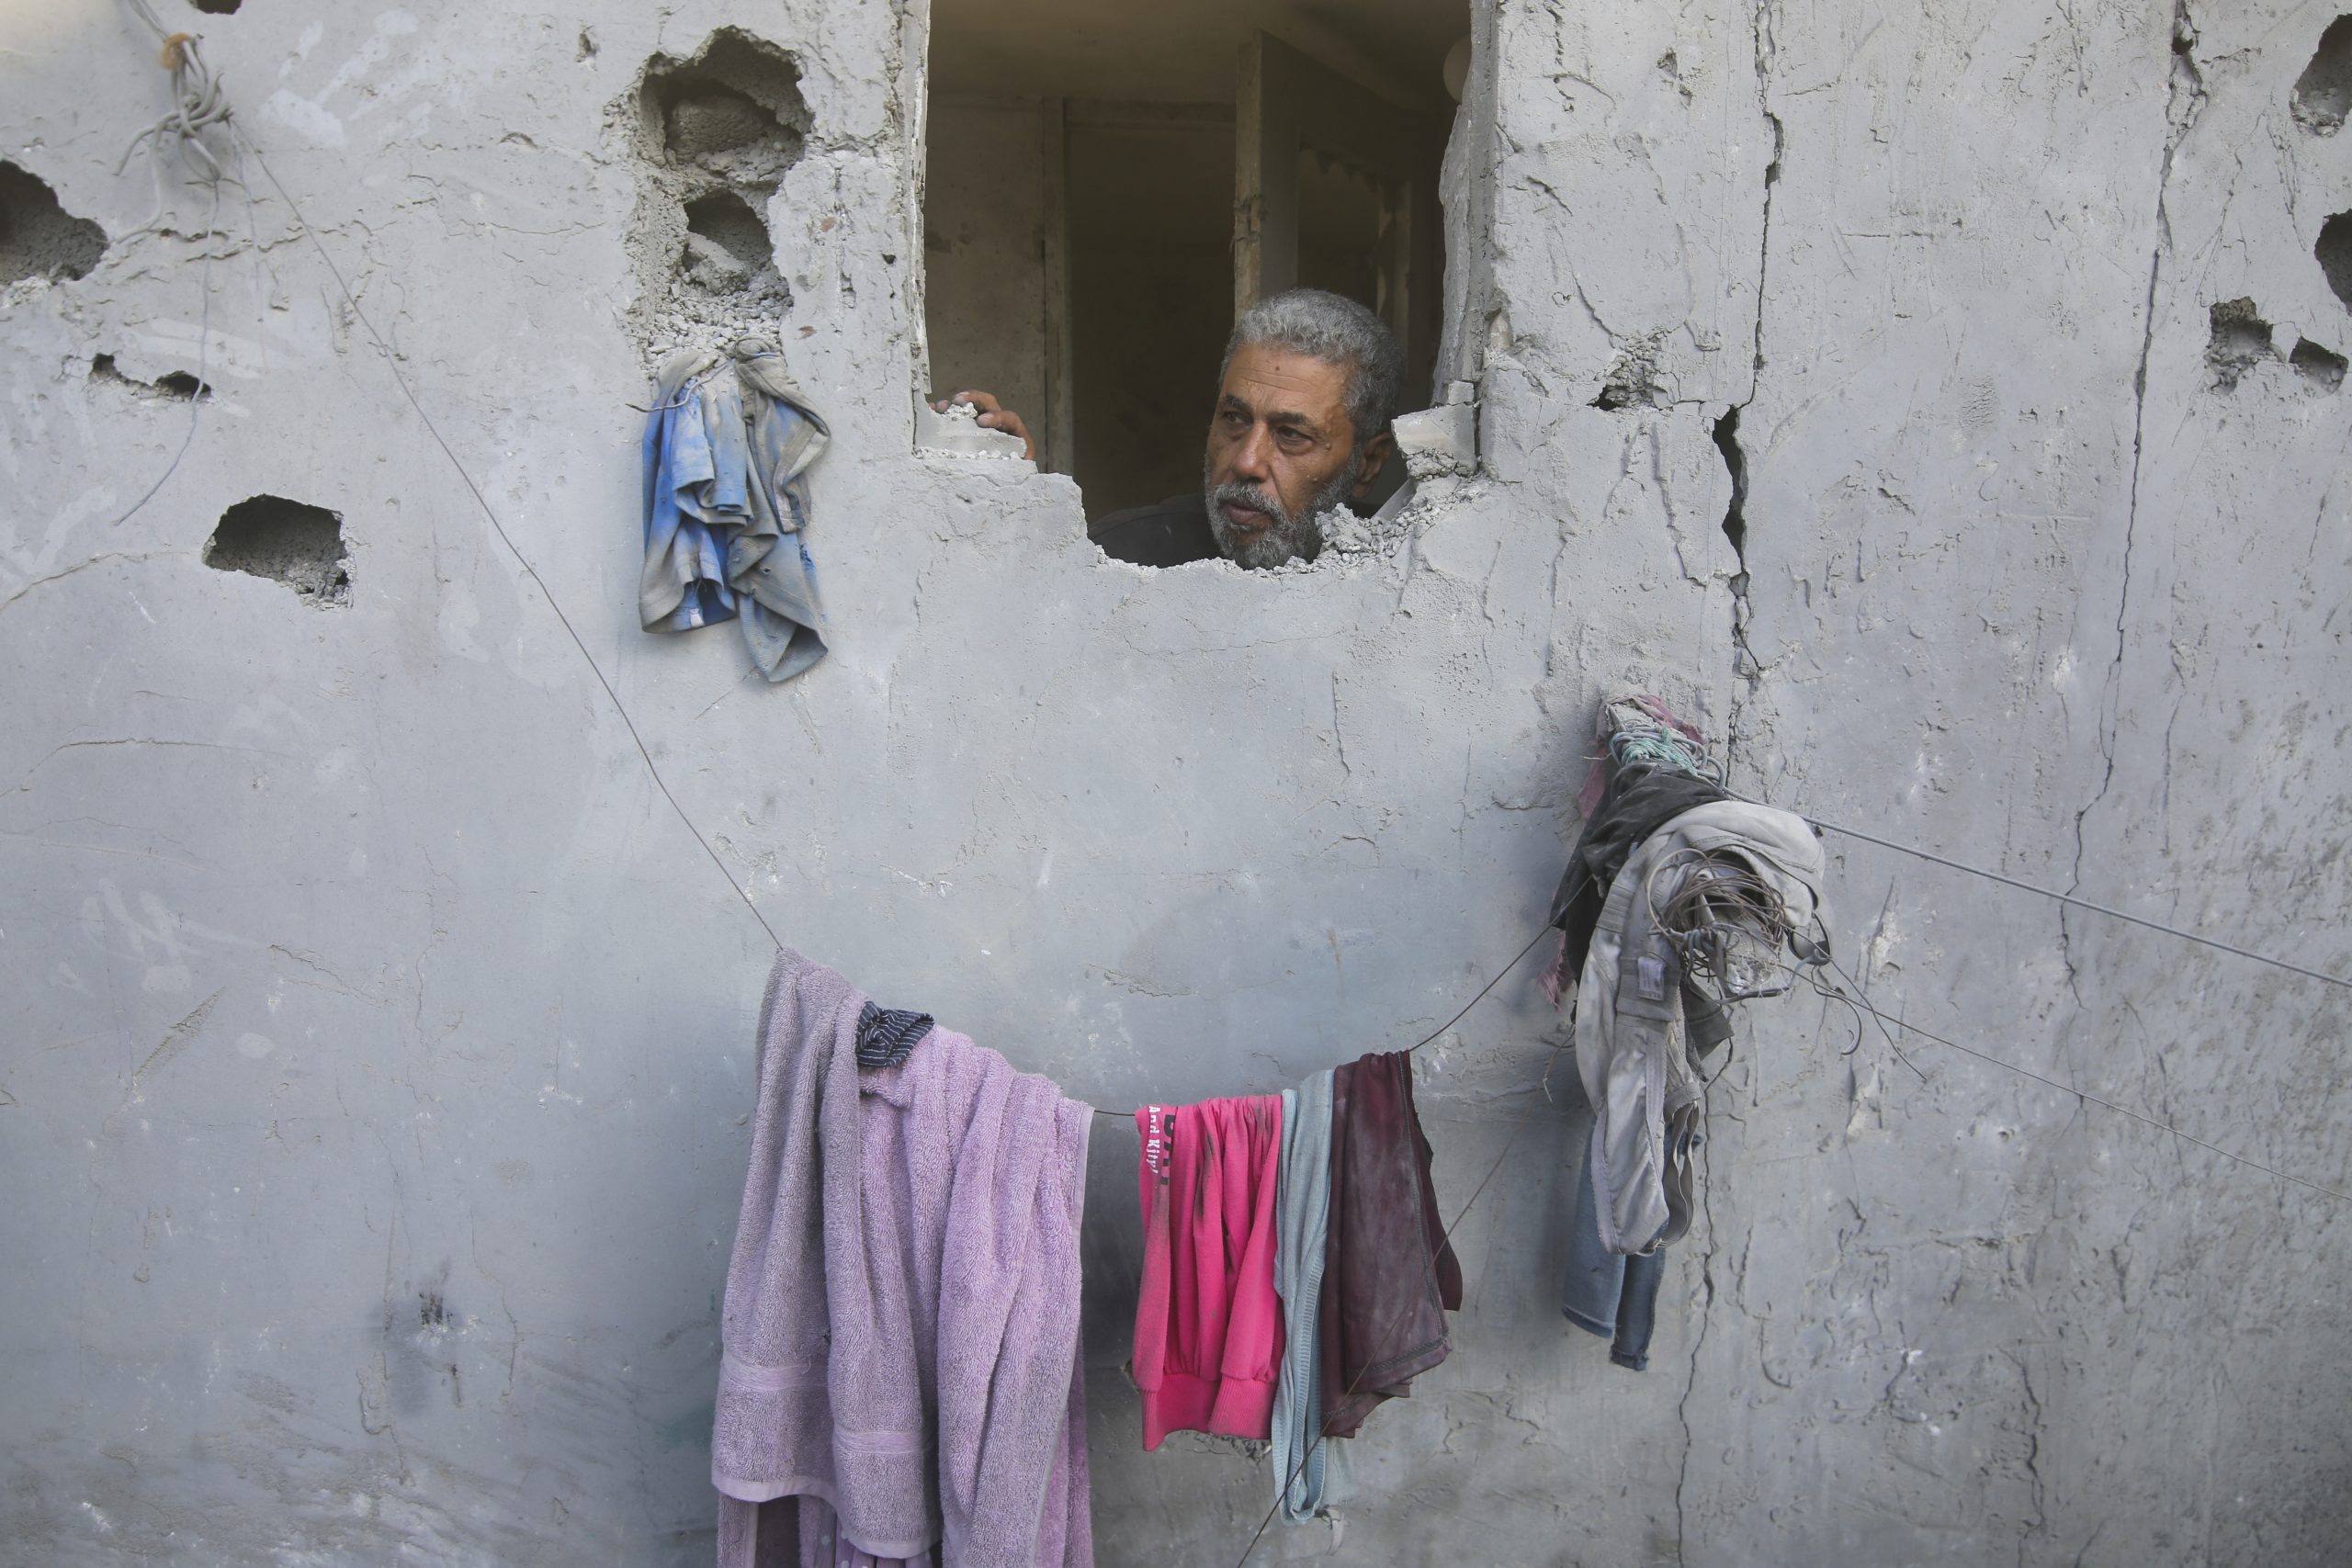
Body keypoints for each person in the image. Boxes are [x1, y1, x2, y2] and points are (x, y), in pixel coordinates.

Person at [931, 288, 1404, 570]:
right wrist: (1008, 518)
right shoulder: (1123, 557)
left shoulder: (1408, 573)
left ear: (1367, 464)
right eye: (1234, 420)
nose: (1245, 461)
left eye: (1291, 435)